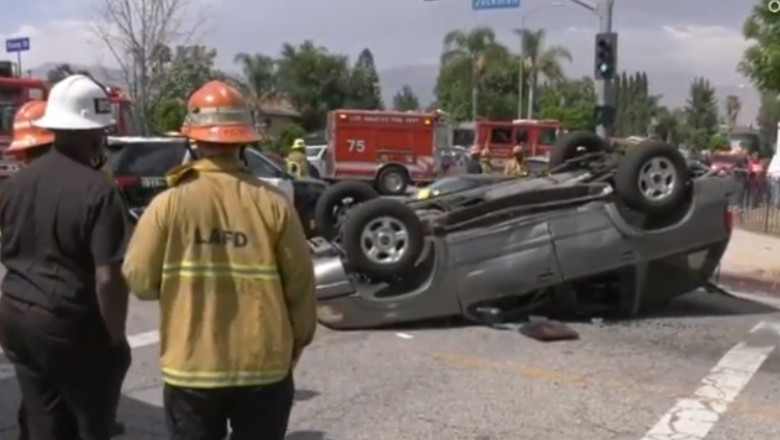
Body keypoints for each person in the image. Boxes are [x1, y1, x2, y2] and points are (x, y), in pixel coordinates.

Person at [122, 80, 317, 440]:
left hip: (191, 369)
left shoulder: (168, 204)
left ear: (194, 140)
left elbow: (139, 280)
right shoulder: (274, 204)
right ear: (244, 140)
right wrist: (297, 343)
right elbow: (302, 286)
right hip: (264, 369)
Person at [0, 74, 131, 440]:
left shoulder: (14, 186)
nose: (102, 139)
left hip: (15, 321)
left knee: (45, 424)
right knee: (92, 424)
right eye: (99, 131)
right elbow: (108, 278)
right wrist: (116, 338)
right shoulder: (100, 192)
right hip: (71, 327)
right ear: (83, 132)